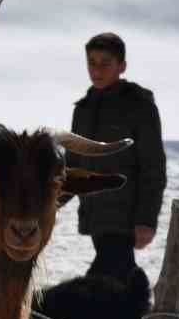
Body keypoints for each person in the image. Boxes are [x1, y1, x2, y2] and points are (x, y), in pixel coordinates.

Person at [68, 32, 166, 280]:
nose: (96, 70)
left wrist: (146, 220)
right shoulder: (83, 109)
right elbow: (73, 165)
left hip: (125, 217)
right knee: (117, 281)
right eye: (91, 62)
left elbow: (153, 166)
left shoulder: (139, 106)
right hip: (95, 215)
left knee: (104, 280)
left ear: (121, 66)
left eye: (105, 63)